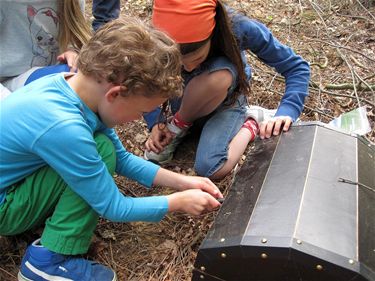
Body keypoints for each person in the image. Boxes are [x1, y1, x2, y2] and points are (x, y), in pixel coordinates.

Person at [0, 16, 222, 281]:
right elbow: (112, 206)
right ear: (115, 93)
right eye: (141, 111)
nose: (140, 118)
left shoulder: (73, 87)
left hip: (12, 184)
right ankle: (48, 262)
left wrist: (184, 182)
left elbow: (121, 158)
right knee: (100, 151)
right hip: (5, 207)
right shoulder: (64, 127)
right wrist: (177, 203)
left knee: (103, 148)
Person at [144, 0, 311, 179]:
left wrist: (288, 110)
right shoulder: (158, 40)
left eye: (198, 57)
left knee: (211, 168)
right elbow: (147, 78)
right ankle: (177, 125)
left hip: (227, 100)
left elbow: (296, 67)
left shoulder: (238, 28)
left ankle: (252, 122)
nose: (189, 68)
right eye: (180, 62)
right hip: (184, 98)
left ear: (213, 32)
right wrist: (156, 122)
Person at [0, 0, 91, 98]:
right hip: (9, 82)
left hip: (51, 71)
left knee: (84, 77)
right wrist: (8, 101)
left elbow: (75, 35)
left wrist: (73, 50)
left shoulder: (71, 2)